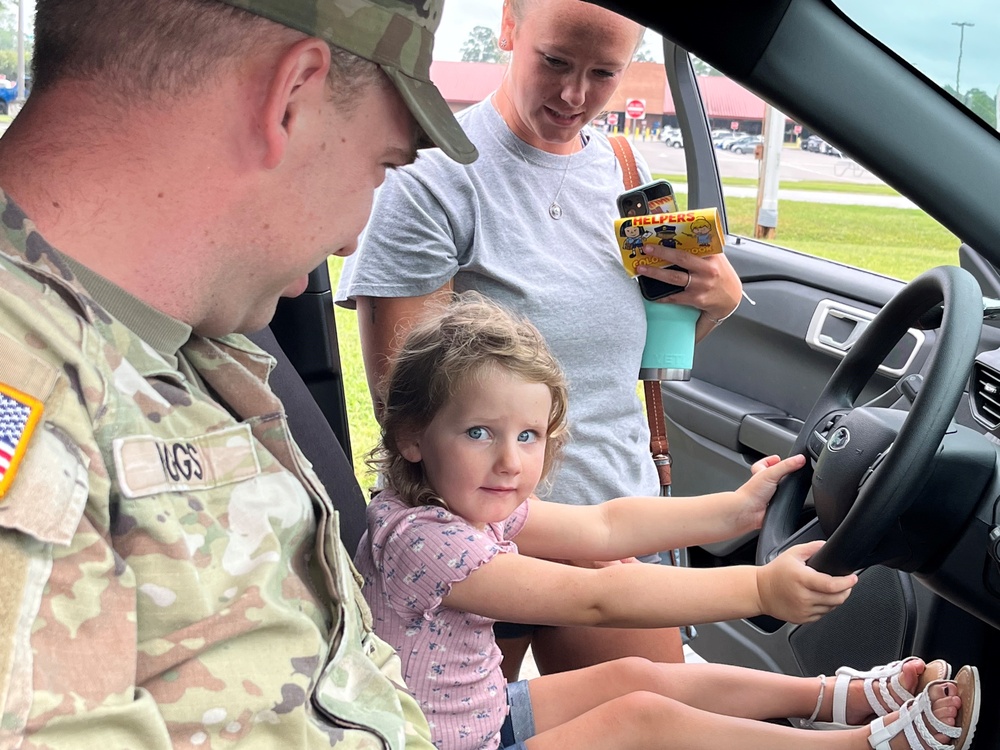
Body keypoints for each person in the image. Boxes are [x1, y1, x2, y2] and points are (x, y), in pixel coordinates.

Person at [0, 0, 478, 746]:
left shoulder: (192, 342)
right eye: (382, 165)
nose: (355, 235)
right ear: (290, 97)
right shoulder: (28, 373)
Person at [355, 293, 980, 750]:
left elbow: (603, 526)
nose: (510, 462)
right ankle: (860, 747)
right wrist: (761, 589)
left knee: (636, 678)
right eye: (478, 432)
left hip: (473, 713)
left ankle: (834, 700)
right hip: (436, 743)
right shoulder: (424, 542)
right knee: (641, 720)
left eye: (528, 435)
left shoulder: (457, 501)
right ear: (412, 435)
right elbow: (600, 598)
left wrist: (734, 510)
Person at [336, 0, 744, 677]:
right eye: (554, 61)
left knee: (656, 719)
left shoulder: (621, 168)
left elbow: (621, 365)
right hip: (479, 541)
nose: (573, 95)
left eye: (603, 73)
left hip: (615, 517)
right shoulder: (434, 179)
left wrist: (713, 305)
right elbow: (405, 408)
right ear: (508, 28)